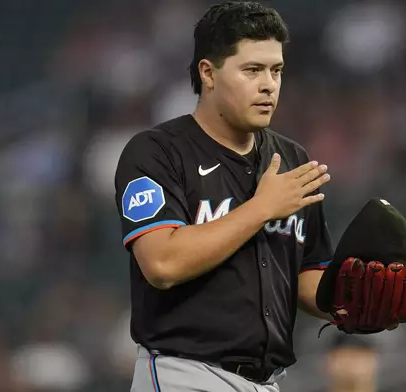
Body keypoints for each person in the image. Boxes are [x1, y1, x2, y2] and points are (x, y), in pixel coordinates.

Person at [114, 2, 334, 391]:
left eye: (276, 70)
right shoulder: (156, 152)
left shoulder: (292, 158)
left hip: (268, 382)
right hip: (185, 374)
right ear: (208, 73)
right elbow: (162, 263)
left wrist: (360, 301)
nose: (269, 84)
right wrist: (261, 209)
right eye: (252, 70)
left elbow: (307, 274)